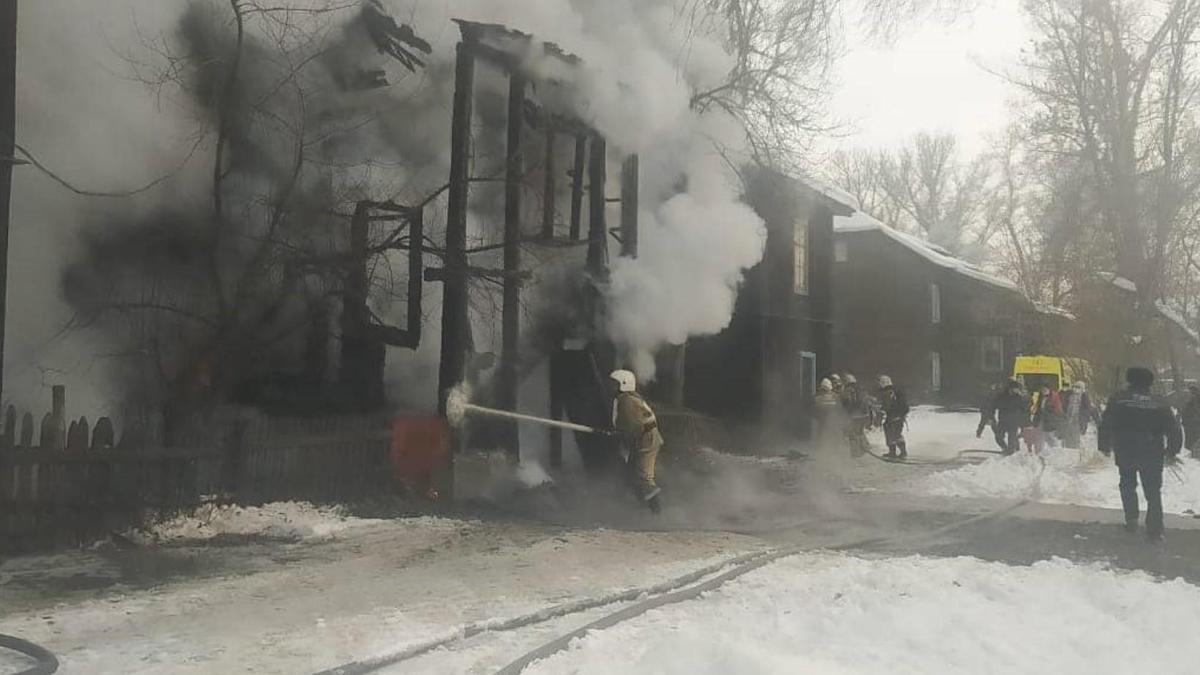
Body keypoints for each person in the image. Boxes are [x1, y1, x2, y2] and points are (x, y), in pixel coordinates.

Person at [1098, 367, 1183, 541]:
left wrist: (1104, 445)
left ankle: (1131, 519)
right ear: (1150, 382)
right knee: (1153, 490)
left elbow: (1106, 423)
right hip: (1152, 451)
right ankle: (1155, 527)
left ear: (1129, 380)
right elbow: (1173, 428)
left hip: (1126, 450)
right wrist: (1172, 450)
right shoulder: (1160, 402)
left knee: (1127, 484)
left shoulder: (1119, 399)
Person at [610, 369, 664, 513]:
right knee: (632, 475)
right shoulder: (628, 398)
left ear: (624, 384)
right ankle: (643, 507)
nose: (611, 387)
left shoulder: (626, 400)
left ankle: (657, 513)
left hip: (647, 439)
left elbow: (630, 426)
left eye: (615, 384)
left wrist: (621, 439)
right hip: (644, 437)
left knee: (644, 477)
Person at [981, 379, 1027, 455]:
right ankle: (1005, 448)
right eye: (1016, 389)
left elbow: (1024, 410)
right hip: (1003, 421)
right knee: (998, 437)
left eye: (1017, 389)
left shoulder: (1019, 398)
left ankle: (1011, 452)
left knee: (1012, 438)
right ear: (1011, 388)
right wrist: (991, 417)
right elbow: (992, 407)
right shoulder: (1001, 396)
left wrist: (1023, 422)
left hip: (1014, 422)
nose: (1017, 390)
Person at [877, 375, 909, 459]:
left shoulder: (887, 392)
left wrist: (881, 410)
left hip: (892, 416)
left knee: (891, 434)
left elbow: (887, 405)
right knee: (897, 434)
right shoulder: (895, 391)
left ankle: (894, 452)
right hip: (899, 416)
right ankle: (902, 452)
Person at [1060, 381, 1099, 450]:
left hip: (1078, 420)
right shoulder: (1069, 395)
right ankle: (1067, 449)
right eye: (1075, 387)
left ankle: (1075, 449)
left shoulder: (1084, 397)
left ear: (1082, 389)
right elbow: (1064, 405)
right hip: (1068, 419)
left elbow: (1090, 408)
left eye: (1078, 387)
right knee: (1068, 436)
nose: (1076, 389)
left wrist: (1095, 420)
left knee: (1076, 436)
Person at [841, 374, 870, 457]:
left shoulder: (848, 390)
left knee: (853, 434)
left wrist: (847, 412)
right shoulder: (861, 389)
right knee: (860, 432)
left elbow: (848, 402)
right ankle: (864, 448)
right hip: (864, 415)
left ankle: (856, 453)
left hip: (854, 415)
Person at [813, 378, 843, 449]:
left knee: (821, 436)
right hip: (833, 422)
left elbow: (813, 410)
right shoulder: (835, 396)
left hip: (822, 422)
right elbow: (839, 409)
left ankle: (821, 449)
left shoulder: (816, 397)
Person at [1181, 385, 1200, 458]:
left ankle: (1195, 453)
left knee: (1194, 438)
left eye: (1190, 393)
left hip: (1194, 423)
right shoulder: (1189, 401)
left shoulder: (1194, 400)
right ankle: (1194, 453)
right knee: (1192, 439)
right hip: (1190, 423)